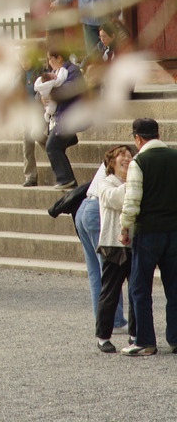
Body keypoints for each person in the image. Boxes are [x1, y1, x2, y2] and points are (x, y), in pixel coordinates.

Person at [119, 117, 177, 356]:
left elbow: (132, 200)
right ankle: (175, 338)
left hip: (148, 233)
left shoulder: (139, 161)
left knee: (140, 287)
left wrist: (124, 227)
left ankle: (145, 341)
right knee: (174, 287)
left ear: (138, 138)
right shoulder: (174, 157)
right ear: (158, 134)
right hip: (174, 232)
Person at [75, 155, 126, 334]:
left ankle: (103, 319)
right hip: (97, 210)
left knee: (96, 271)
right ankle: (115, 320)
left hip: (84, 208)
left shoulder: (116, 158)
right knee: (109, 268)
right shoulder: (128, 162)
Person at [95, 145, 136, 352]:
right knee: (110, 291)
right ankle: (103, 335)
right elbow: (116, 199)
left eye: (130, 156)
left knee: (136, 290)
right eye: (122, 156)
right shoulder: (106, 183)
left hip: (134, 242)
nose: (127, 159)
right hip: (113, 243)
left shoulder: (132, 183)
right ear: (111, 162)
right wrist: (133, 183)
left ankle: (136, 333)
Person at [34, 49, 85, 189]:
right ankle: (66, 177)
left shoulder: (72, 70)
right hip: (59, 117)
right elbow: (40, 92)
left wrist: (51, 94)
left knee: (52, 146)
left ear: (59, 58)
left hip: (69, 115)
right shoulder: (55, 73)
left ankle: (66, 179)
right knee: (52, 144)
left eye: (51, 59)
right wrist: (43, 99)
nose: (49, 63)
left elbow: (70, 89)